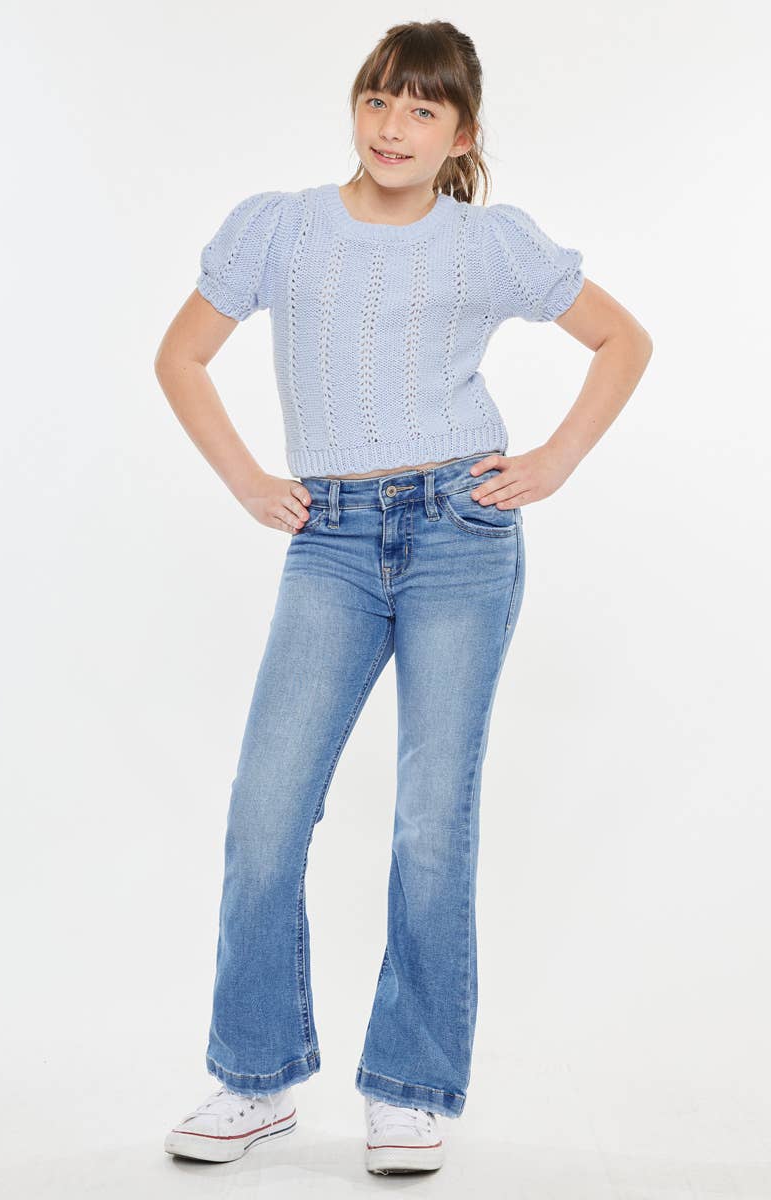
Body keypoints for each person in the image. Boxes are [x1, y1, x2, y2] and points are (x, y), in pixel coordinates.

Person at [154, 19, 652, 1177]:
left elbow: (621, 340)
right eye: (378, 99)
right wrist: (247, 480)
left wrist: (553, 460)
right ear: (355, 106)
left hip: (458, 534)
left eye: (423, 109)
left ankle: (410, 1086)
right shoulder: (280, 228)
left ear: (460, 136)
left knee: (432, 818)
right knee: (265, 812)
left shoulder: (487, 245)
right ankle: (254, 1079)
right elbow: (180, 356)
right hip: (327, 539)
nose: (393, 126)